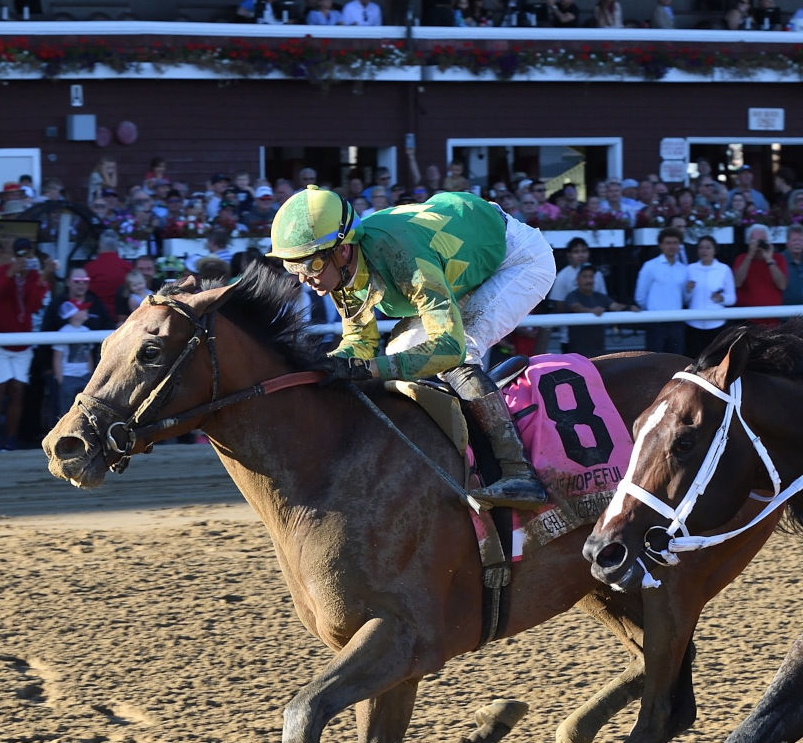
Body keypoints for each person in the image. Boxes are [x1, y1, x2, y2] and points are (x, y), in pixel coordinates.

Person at [269, 186, 555, 508]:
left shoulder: (402, 256)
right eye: (294, 268)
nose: (305, 278)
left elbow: (449, 347)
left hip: (516, 259)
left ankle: (519, 472)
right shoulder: (342, 270)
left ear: (343, 250)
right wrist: (324, 367)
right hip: (459, 252)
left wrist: (371, 368)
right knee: (397, 354)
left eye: (311, 266)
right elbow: (360, 342)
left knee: (457, 357)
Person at [0, 237, 51, 452]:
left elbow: (33, 305)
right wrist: (11, 273)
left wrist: (44, 277)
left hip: (23, 340)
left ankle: (10, 439)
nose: (24, 259)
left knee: (17, 390)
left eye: (28, 255)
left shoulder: (32, 276)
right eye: (21, 255)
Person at [635, 227, 689, 355]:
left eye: (675, 243)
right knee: (654, 362)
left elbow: (685, 298)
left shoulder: (684, 269)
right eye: (668, 243)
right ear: (661, 245)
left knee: (675, 361)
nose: (672, 246)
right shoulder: (650, 266)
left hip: (677, 323)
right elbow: (640, 296)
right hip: (655, 322)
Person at [682, 234, 736, 358]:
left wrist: (721, 298)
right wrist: (688, 290)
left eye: (708, 247)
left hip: (716, 324)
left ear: (714, 250)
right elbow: (685, 299)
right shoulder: (690, 269)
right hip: (693, 324)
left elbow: (732, 299)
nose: (704, 251)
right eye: (701, 247)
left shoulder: (724, 269)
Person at [563, 265, 634, 358]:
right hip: (577, 351)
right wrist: (592, 311)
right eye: (585, 277)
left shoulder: (600, 297)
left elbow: (615, 306)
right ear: (577, 279)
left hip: (599, 349)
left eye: (591, 277)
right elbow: (576, 307)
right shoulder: (572, 296)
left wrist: (630, 308)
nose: (589, 280)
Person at [733, 223, 787, 325]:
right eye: (755, 241)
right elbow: (737, 283)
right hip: (747, 319)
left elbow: (782, 285)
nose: (758, 245)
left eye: (762, 241)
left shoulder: (778, 258)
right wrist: (749, 256)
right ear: (749, 243)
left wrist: (769, 259)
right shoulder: (742, 258)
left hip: (772, 318)